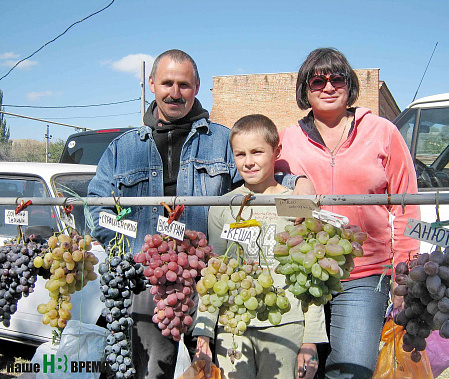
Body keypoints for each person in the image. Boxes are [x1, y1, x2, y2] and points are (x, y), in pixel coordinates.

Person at [87, 50, 300, 379]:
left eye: (184, 84)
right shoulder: (122, 149)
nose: (175, 92)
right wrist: (131, 250)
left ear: (197, 86)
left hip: (215, 285)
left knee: (217, 372)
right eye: (168, 83)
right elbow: (96, 206)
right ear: (152, 84)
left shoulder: (220, 141)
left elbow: (259, 180)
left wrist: (298, 188)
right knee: (150, 373)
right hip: (151, 285)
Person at [275, 48, 420, 379]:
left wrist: (405, 272)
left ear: (349, 84)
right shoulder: (289, 138)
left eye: (336, 78)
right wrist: (293, 181)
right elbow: (272, 190)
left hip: (365, 275)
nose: (328, 86)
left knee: (351, 370)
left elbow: (406, 205)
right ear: (305, 88)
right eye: (317, 79)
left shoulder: (383, 132)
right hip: (302, 271)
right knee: (297, 370)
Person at [193, 114, 327, 379]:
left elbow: (312, 275)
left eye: (257, 152)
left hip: (285, 325)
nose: (248, 161)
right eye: (240, 154)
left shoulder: (298, 202)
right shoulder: (223, 205)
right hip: (234, 326)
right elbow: (215, 272)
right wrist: (204, 332)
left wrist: (311, 339)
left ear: (276, 151)